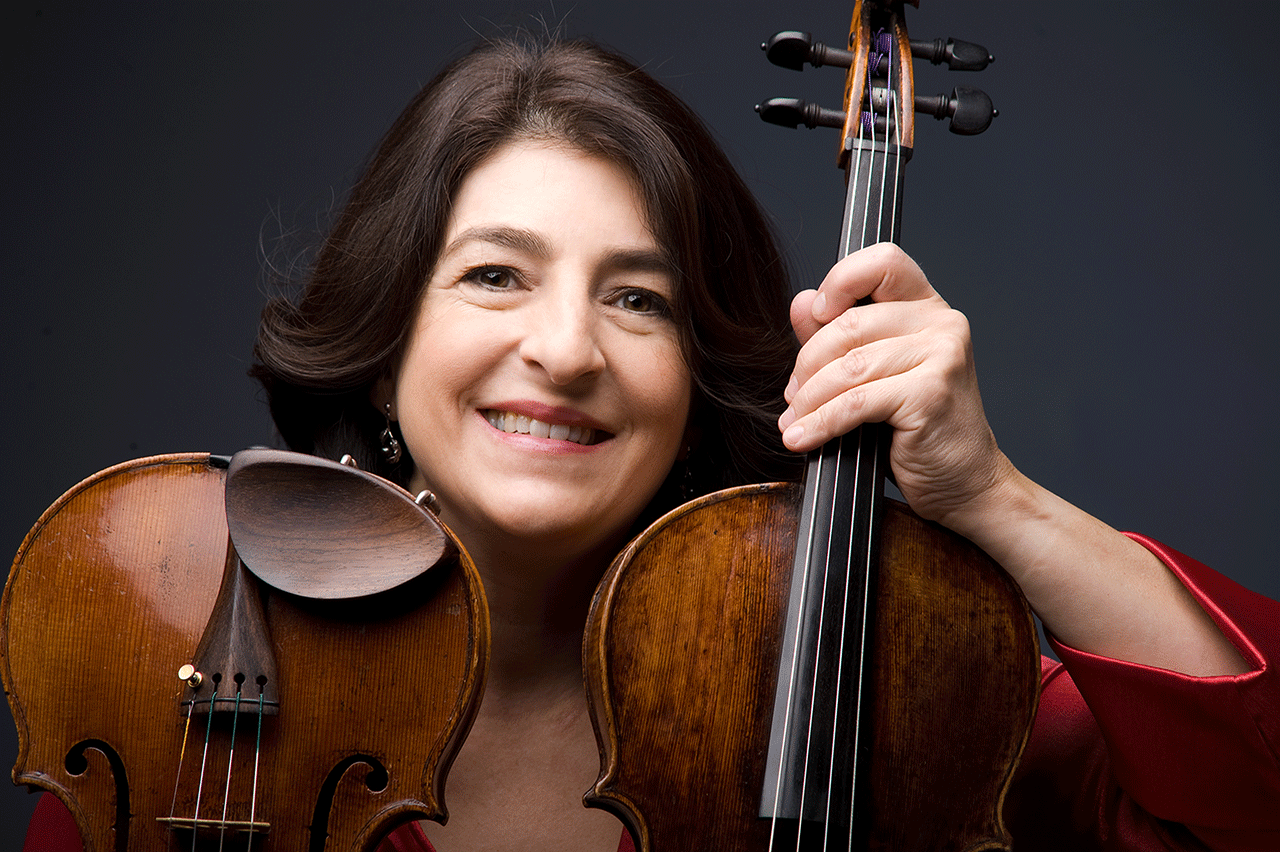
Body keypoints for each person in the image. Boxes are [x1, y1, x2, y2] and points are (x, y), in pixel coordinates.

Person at [23, 36, 1280, 852]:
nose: (566, 349)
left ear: (696, 375)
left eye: (637, 299)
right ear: (386, 345)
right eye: (495, 276)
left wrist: (995, 497)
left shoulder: (879, 681)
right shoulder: (171, 684)